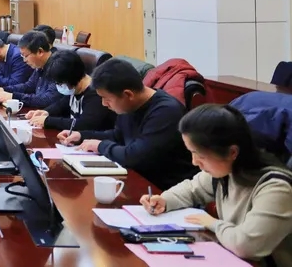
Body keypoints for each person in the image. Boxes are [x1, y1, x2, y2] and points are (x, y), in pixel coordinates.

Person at [141, 105, 292, 266]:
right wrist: (165, 200)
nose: (194, 162)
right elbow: (191, 189)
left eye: (200, 155)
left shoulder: (276, 188)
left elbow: (247, 245)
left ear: (232, 152)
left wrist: (212, 223)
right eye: (191, 152)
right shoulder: (226, 170)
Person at [58, 58, 198, 190]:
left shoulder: (166, 112)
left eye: (106, 99)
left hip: (163, 189)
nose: (104, 104)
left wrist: (100, 146)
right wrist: (81, 136)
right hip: (137, 179)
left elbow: (135, 157)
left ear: (128, 94)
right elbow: (118, 136)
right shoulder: (129, 105)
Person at [26, 50, 115, 131]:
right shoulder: (75, 89)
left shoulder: (96, 94)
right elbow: (61, 105)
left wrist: (48, 121)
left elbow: (85, 125)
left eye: (60, 83)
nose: (59, 86)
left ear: (71, 78)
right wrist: (46, 112)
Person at [0, 31, 59, 109]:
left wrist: (13, 96)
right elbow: (28, 86)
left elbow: (47, 100)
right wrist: (4, 89)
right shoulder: (39, 65)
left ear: (40, 52)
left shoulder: (58, 67)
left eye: (26, 56)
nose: (24, 60)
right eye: (22, 56)